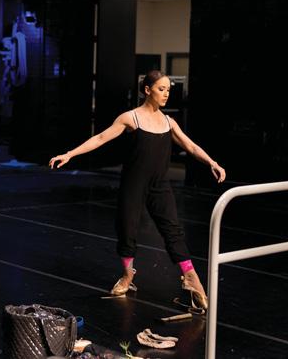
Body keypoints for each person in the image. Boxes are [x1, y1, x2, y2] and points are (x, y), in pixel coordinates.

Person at [49, 70, 225, 312]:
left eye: (168, 90)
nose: (166, 94)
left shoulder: (169, 122)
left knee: (173, 230)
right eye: (161, 89)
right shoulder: (130, 118)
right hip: (134, 184)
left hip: (160, 185)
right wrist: (69, 154)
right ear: (147, 90)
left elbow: (191, 146)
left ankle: (191, 279)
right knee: (127, 230)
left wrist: (212, 162)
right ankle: (127, 275)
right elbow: (100, 138)